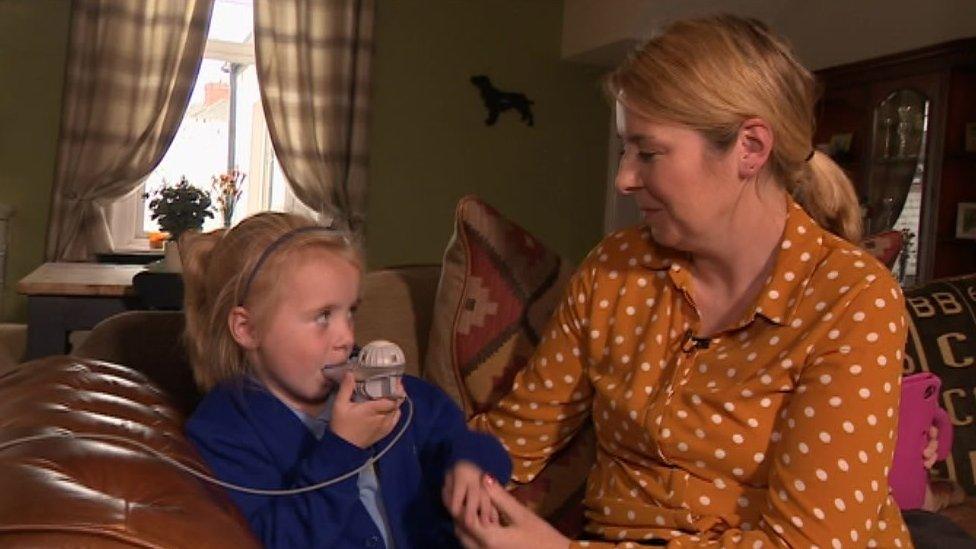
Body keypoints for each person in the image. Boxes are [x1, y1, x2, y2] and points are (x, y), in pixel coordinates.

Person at [454, 15, 916, 548]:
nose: (624, 179)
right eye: (626, 150)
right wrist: (470, 463)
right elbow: (519, 434)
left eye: (648, 153)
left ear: (750, 147)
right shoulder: (615, 269)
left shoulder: (852, 296)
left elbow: (810, 543)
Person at [181, 212, 511, 548]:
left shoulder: (388, 391)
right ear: (247, 329)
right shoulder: (222, 431)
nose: (346, 338)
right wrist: (343, 448)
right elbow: (275, 540)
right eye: (323, 316)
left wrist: (470, 466)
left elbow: (466, 440)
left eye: (350, 312)